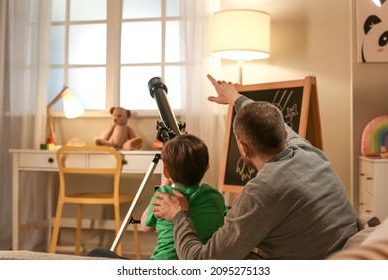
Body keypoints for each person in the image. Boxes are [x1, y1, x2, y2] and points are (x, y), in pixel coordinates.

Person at [151, 74, 359, 260]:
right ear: (285, 135)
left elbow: (201, 264)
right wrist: (235, 97)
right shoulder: (306, 151)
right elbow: (276, 122)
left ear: (242, 148)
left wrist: (180, 214)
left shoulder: (260, 193)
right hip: (344, 250)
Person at [141, 133, 228, 260]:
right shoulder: (215, 197)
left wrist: (160, 190)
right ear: (207, 167)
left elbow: (146, 226)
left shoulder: (163, 195)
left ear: (166, 172)